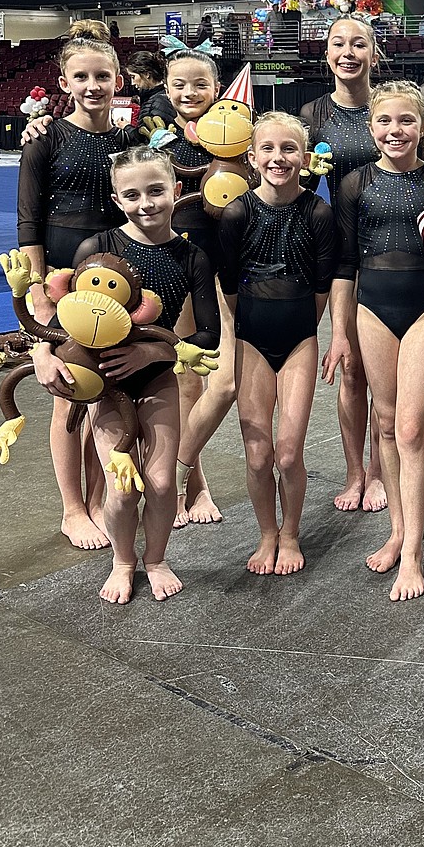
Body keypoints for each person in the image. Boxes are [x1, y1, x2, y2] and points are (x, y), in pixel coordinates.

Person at [33, 147, 220, 605]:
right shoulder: (98, 249)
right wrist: (43, 350)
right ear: (118, 200)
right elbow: (61, 318)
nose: (147, 203)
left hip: (156, 378)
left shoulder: (192, 255)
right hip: (104, 383)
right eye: (132, 194)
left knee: (159, 483)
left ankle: (155, 558)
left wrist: (152, 351)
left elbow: (208, 331)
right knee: (122, 485)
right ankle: (123, 560)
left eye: (156, 191)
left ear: (176, 191)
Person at [326, 82, 424, 601]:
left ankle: (413, 555)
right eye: (385, 121)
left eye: (406, 121)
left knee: (410, 429)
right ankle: (396, 532)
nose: (395, 131)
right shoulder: (354, 184)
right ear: (371, 128)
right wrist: (340, 332)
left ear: (423, 127)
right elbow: (344, 266)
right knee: (385, 425)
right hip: (371, 309)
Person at [17, 21, 137, 549]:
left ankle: (94, 499)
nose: (93, 86)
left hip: (109, 282)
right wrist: (39, 289)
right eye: (82, 76)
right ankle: (72, 507)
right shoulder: (44, 140)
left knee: (103, 390)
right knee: (67, 393)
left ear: (118, 80)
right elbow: (27, 223)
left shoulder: (129, 140)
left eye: (102, 76)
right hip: (59, 283)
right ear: (64, 82)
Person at [218, 112, 337, 576]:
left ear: (304, 158)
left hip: (298, 340)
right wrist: (242, 328)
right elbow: (228, 281)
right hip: (252, 338)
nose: (278, 158)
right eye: (268, 149)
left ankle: (290, 532)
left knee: (288, 452)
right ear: (251, 157)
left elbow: (323, 283)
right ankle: (267, 533)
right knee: (258, 452)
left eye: (289, 149)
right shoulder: (237, 212)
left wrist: (305, 329)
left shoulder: (318, 212)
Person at [301, 15, 388, 514]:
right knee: (351, 367)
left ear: (374, 53)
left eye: (359, 44)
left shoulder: (393, 106)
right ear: (327, 52)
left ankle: (379, 470)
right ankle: (357, 472)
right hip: (337, 254)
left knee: (382, 372)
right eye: (339, 44)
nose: (348, 52)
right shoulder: (313, 115)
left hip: (386, 249)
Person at [159, 49, 238, 527]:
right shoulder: (159, 145)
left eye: (200, 85)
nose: (189, 94)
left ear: (217, 87)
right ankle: (195, 485)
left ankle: (177, 470)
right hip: (180, 274)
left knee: (225, 384)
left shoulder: (236, 144)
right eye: (179, 85)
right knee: (189, 381)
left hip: (231, 276)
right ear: (166, 90)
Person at [125, 49, 176, 126]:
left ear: (147, 74)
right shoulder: (153, 97)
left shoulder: (159, 101)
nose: (132, 83)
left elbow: (148, 136)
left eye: (133, 77)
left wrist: (126, 127)